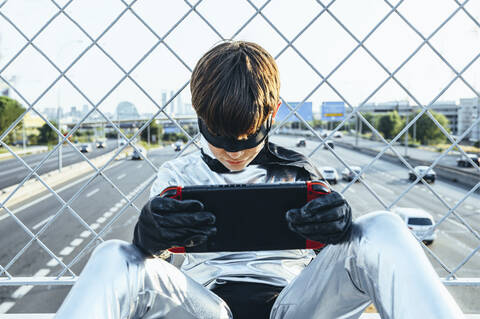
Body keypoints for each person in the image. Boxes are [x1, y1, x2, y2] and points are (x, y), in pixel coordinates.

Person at [55, 41, 464, 319]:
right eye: (219, 139)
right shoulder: (175, 174)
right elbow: (154, 271)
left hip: (292, 303)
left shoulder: (300, 171)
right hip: (207, 305)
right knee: (114, 255)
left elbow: (335, 270)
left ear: (272, 115)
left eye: (247, 140)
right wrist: (149, 240)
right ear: (198, 115)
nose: (233, 152)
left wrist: (340, 232)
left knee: (382, 229)